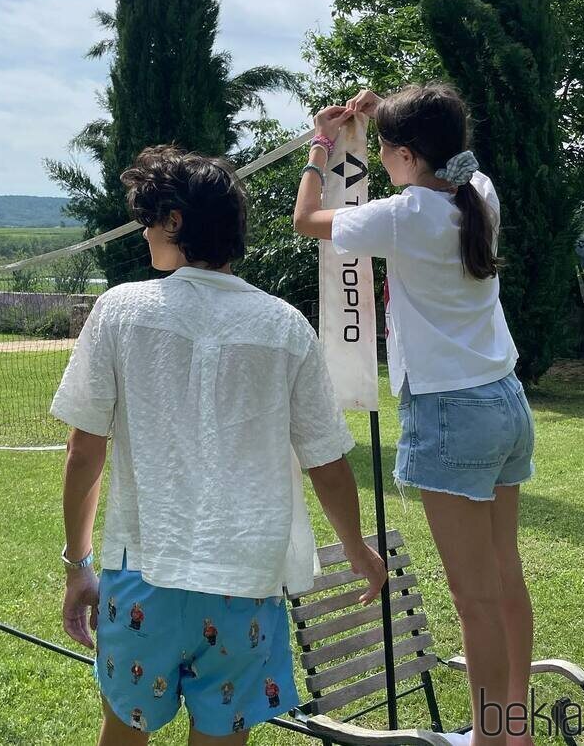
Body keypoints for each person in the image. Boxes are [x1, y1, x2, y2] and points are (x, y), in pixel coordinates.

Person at [54, 145, 389, 746]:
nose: (146, 231)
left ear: (175, 221)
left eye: (150, 217)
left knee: (122, 734)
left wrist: (78, 565)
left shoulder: (119, 311)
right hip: (246, 583)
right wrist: (356, 546)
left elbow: (85, 449)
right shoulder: (285, 325)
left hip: (141, 575)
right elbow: (326, 460)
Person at [293, 83, 537, 746]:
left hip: (452, 415)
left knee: (474, 600)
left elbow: (306, 218)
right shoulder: (476, 195)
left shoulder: (401, 215)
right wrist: (390, 128)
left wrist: (322, 141)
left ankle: (490, 741)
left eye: (383, 149)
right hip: (505, 401)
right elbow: (456, 165)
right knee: (505, 578)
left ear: (402, 154)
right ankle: (515, 731)